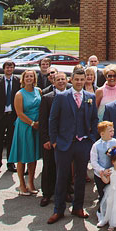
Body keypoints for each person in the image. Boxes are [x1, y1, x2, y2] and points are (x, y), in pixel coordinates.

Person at [47, 68, 99, 224]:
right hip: (64, 143)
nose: (79, 82)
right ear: (71, 79)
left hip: (83, 143)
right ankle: (59, 209)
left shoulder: (90, 97)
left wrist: (91, 138)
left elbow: (94, 120)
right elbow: (53, 119)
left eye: (81, 80)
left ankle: (78, 207)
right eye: (76, 79)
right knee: (62, 177)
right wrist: (54, 140)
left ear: (85, 81)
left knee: (80, 178)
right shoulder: (62, 97)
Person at [39, 72, 71, 207]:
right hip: (51, 139)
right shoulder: (47, 98)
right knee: (49, 166)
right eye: (58, 80)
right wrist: (46, 139)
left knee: (65, 167)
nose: (61, 82)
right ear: (53, 82)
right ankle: (47, 194)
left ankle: (66, 191)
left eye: (63, 79)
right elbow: (43, 120)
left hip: (66, 139)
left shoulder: (71, 96)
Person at [9, 69, 42, 195]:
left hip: (36, 126)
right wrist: (32, 123)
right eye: (27, 76)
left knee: (33, 156)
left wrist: (37, 123)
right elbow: (19, 113)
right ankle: (22, 185)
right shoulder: (19, 94)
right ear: (23, 79)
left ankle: (31, 183)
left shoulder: (38, 91)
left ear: (34, 78)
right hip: (24, 126)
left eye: (31, 76)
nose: (29, 78)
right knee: (23, 156)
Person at [0, 61, 20, 174]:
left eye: (11, 67)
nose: (9, 69)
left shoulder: (17, 81)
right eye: (7, 67)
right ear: (4, 69)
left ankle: (10, 163)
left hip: (12, 116)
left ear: (13, 69)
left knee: (11, 141)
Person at [90, 120, 116, 215]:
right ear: (102, 134)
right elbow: (94, 161)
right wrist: (102, 170)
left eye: (113, 131)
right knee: (103, 194)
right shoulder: (96, 145)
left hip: (113, 173)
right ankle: (102, 213)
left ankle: (113, 214)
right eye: (110, 131)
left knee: (113, 194)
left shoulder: (115, 142)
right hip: (101, 175)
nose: (112, 133)